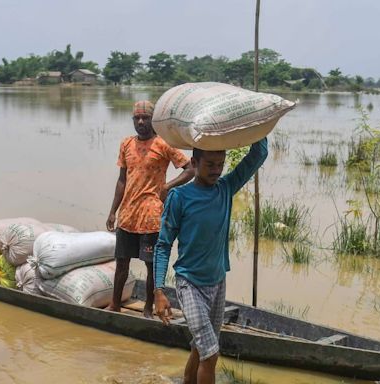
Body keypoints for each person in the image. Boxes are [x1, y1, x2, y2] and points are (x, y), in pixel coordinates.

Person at [153, 137, 268, 384]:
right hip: (189, 285)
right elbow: (163, 245)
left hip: (217, 283)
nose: (217, 170)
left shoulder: (225, 188)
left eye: (220, 164)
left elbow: (258, 155)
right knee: (211, 352)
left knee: (200, 347)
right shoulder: (179, 197)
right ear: (194, 162)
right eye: (210, 165)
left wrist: (257, 127)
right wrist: (159, 290)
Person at [106, 100, 194, 317]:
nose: (141, 122)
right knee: (122, 263)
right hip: (127, 215)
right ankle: (115, 304)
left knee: (151, 265)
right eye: (137, 118)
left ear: (154, 121)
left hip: (152, 217)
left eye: (145, 118)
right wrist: (112, 211)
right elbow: (121, 180)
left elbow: (190, 168)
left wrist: (168, 186)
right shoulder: (126, 144)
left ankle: (148, 308)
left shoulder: (163, 144)